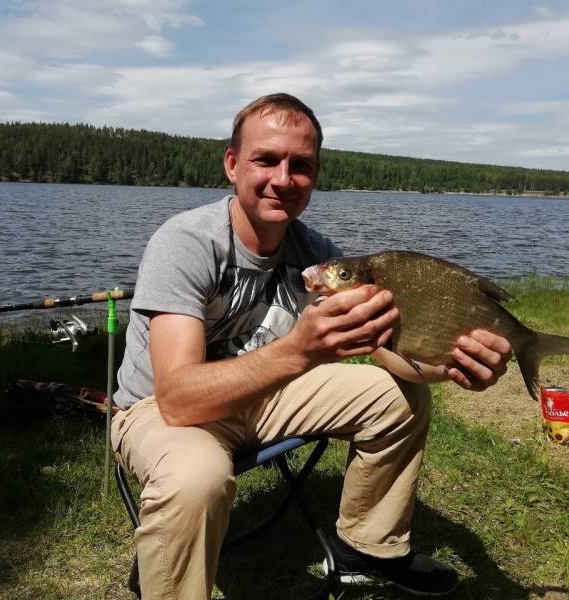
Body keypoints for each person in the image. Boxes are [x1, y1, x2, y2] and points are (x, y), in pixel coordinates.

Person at [112, 92, 512, 599]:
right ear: (232, 165)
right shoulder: (187, 242)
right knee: (196, 477)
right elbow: (178, 397)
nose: (283, 179)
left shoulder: (320, 256)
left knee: (400, 398)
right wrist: (299, 351)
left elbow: (388, 354)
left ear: (315, 176)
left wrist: (453, 365)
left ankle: (367, 549)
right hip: (162, 412)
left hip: (264, 394)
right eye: (266, 160)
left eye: (300, 165)